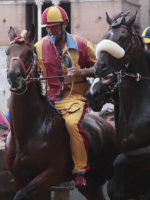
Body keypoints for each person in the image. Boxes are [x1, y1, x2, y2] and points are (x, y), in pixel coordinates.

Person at [35, 5, 96, 188]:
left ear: (65, 24)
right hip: (50, 98)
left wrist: (81, 71)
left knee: (71, 125)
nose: (51, 31)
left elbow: (99, 69)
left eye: (54, 26)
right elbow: (36, 71)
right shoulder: (39, 46)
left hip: (75, 97)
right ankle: (29, 167)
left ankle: (79, 171)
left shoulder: (83, 44)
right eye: (48, 27)